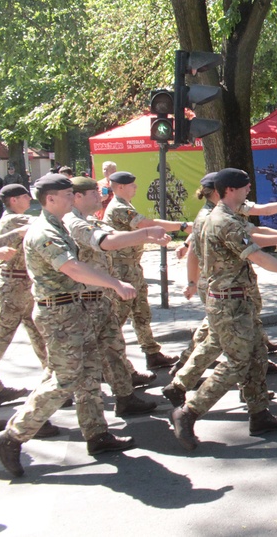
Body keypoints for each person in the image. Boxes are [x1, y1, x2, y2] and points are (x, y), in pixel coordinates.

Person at [0, 174, 139, 478]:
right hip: (59, 314)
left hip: (73, 309)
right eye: (68, 194)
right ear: (51, 199)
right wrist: (114, 283)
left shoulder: (57, 224)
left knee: (87, 373)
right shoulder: (45, 231)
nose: (73, 199)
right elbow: (71, 267)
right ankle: (12, 436)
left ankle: (97, 435)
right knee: (64, 379)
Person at [170, 169, 277, 451]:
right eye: (246, 186)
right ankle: (188, 411)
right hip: (229, 303)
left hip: (237, 300)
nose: (249, 190)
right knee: (238, 361)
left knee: (258, 356)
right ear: (230, 190)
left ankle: (259, 414)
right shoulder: (223, 221)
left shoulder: (224, 217)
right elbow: (258, 257)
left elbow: (257, 236)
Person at [66, 177, 168, 417]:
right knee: (81, 361)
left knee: (113, 345)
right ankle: (41, 412)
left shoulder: (87, 219)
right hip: (84, 300)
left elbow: (110, 232)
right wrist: (145, 234)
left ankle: (125, 396)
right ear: (78, 196)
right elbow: (106, 242)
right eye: (95, 192)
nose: (101, 196)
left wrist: (147, 235)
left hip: (99, 297)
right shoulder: (74, 223)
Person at [103, 171, 190, 369]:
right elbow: (147, 224)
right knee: (118, 317)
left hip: (132, 267)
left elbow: (138, 232)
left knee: (141, 313)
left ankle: (152, 353)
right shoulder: (118, 207)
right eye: (132, 185)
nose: (136, 188)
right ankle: (107, 362)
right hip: (121, 270)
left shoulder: (125, 205)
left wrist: (151, 238)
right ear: (120, 187)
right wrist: (182, 226)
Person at [0, 185, 47, 410]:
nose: (28, 198)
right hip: (16, 286)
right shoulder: (14, 221)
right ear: (13, 200)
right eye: (24, 195)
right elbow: (40, 224)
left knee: (40, 333)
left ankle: (57, 380)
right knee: (2, 335)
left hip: (22, 284)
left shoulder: (12, 219)